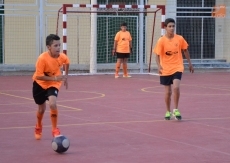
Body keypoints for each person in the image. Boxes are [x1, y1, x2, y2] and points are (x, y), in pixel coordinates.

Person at [153, 18, 194, 120]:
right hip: (165, 69)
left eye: (173, 26)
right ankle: (168, 111)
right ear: (165, 28)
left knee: (176, 87)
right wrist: (159, 66)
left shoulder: (179, 38)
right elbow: (157, 55)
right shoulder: (161, 40)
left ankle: (175, 109)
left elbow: (185, 51)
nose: (172, 28)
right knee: (168, 92)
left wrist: (189, 63)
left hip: (177, 67)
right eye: (170, 26)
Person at [32, 34, 70, 139]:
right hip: (39, 84)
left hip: (53, 83)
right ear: (49, 47)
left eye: (59, 45)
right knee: (41, 109)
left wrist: (66, 76)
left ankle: (54, 129)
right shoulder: (42, 59)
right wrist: (54, 78)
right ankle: (38, 125)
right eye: (55, 46)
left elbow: (67, 62)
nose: (58, 48)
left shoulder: (62, 57)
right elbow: (39, 76)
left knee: (53, 104)